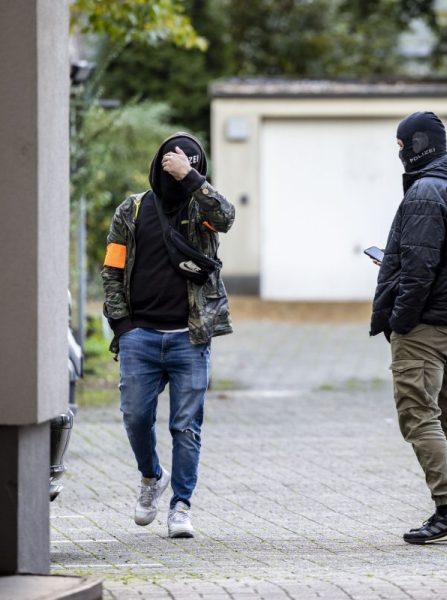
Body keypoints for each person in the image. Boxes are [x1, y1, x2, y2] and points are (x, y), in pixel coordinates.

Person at [102, 132, 235, 538]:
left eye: (188, 165)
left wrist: (192, 178)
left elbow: (227, 217)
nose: (177, 173)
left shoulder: (202, 208)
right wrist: (123, 326)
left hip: (189, 338)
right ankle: (150, 477)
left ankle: (181, 505)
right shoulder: (133, 209)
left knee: (185, 425)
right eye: (172, 165)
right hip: (139, 337)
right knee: (136, 417)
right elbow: (113, 269)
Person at [370, 111, 447, 544]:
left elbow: (421, 269)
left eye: (401, 145)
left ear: (416, 145)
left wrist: (400, 319)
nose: (399, 152)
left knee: (419, 416)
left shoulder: (425, 191)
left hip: (427, 323)